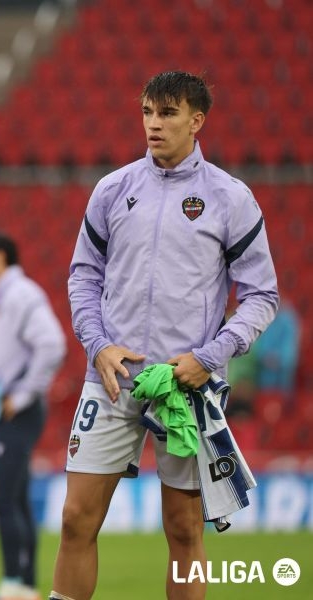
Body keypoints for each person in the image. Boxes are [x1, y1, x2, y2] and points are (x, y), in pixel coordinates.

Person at [51, 71, 279, 600]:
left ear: (197, 121)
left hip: (187, 387)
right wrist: (99, 345)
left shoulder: (230, 198)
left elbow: (261, 296)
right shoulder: (113, 189)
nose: (154, 124)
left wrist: (209, 357)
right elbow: (84, 276)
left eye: (168, 113)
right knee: (74, 519)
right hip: (110, 379)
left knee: (182, 528)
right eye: (149, 112)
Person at [0, 233, 66, 600]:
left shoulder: (21, 295)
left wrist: (23, 394)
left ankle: (12, 584)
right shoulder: (4, 299)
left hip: (14, 416)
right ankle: (24, 585)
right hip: (4, 417)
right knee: (18, 499)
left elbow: (52, 344)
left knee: (3, 500)